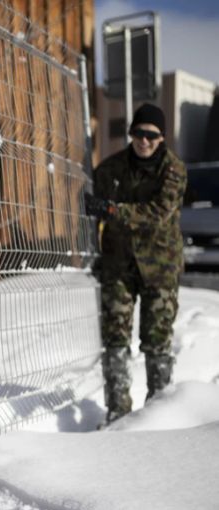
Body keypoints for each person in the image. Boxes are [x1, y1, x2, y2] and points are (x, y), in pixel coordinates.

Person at [85, 103, 187, 424]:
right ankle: (118, 414)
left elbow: (158, 214)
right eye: (137, 133)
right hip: (119, 266)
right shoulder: (110, 169)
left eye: (150, 135)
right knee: (115, 341)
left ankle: (160, 415)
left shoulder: (174, 170)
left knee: (156, 344)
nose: (143, 141)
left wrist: (113, 211)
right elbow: (88, 206)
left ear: (161, 138)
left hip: (160, 268)